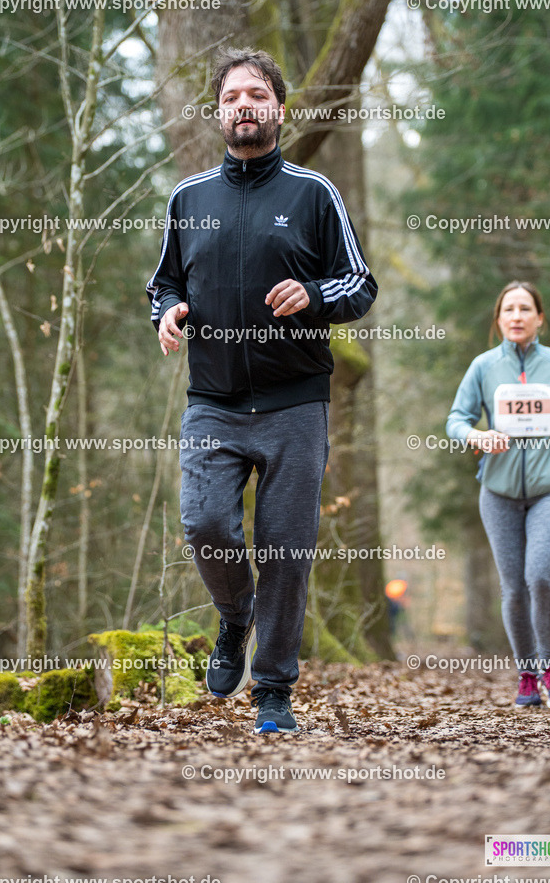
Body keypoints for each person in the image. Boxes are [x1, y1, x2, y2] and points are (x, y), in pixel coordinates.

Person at [146, 46, 377, 733]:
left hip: (294, 405)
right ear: (218, 113)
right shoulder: (189, 199)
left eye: (255, 94)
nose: (242, 105)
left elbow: (358, 284)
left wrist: (310, 295)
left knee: (285, 553)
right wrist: (167, 313)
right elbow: (164, 283)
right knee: (205, 525)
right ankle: (232, 617)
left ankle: (272, 690)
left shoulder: (312, 194)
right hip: (213, 402)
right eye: (230, 98)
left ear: (278, 107)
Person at [446, 281, 550, 710]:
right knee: (513, 587)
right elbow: (456, 419)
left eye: (525, 308)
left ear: (539, 318)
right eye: (508, 309)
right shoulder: (483, 367)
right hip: (498, 491)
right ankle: (527, 675)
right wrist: (477, 434)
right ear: (499, 319)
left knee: (540, 576)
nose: (516, 316)